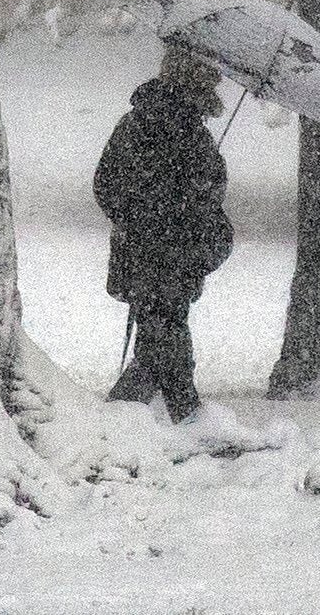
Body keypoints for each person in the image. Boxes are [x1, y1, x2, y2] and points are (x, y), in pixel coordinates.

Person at [92, 41, 235, 418]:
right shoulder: (186, 133)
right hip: (169, 260)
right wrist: (173, 218)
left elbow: (107, 187)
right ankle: (170, 418)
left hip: (147, 257)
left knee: (162, 343)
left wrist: (144, 220)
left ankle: (175, 417)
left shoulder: (139, 122)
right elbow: (198, 200)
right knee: (164, 345)